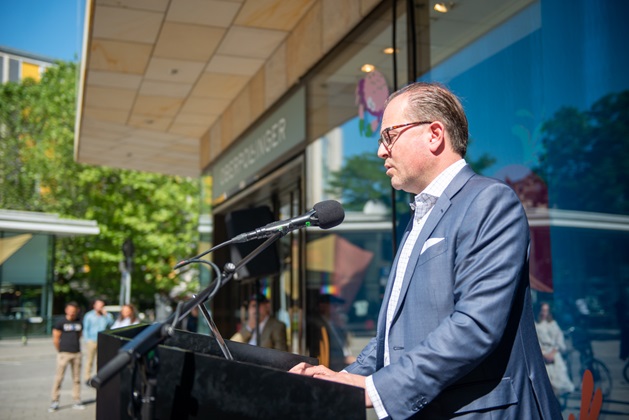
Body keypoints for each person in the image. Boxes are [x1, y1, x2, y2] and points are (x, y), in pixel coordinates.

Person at [290, 82, 562, 419]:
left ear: (434, 134)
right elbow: (395, 332)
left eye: (389, 136)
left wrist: (374, 390)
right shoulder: (418, 216)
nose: (380, 151)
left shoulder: (489, 201)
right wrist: (346, 379)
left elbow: (474, 325)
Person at [48, 302, 85, 412]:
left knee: (77, 379)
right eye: (70, 310)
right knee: (59, 378)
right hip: (64, 353)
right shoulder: (60, 322)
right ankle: (55, 401)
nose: (72, 312)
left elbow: (79, 335)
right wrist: (60, 350)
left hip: (76, 353)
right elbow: (55, 338)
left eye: (74, 310)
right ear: (66, 310)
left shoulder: (79, 322)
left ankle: (76, 400)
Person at [535, 302, 575, 397]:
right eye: (543, 310)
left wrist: (554, 352)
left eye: (546, 310)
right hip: (542, 356)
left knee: (560, 379)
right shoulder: (535, 324)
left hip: (554, 355)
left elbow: (559, 339)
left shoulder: (553, 323)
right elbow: (534, 342)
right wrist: (544, 354)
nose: (544, 313)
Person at [82, 299, 113, 383]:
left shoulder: (107, 315)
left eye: (102, 306)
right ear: (94, 306)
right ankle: (87, 377)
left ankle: (98, 376)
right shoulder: (89, 315)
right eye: (99, 305)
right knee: (89, 359)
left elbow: (111, 325)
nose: (100, 307)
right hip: (92, 340)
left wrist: (106, 315)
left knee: (100, 359)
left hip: (103, 340)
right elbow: (85, 329)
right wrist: (87, 340)